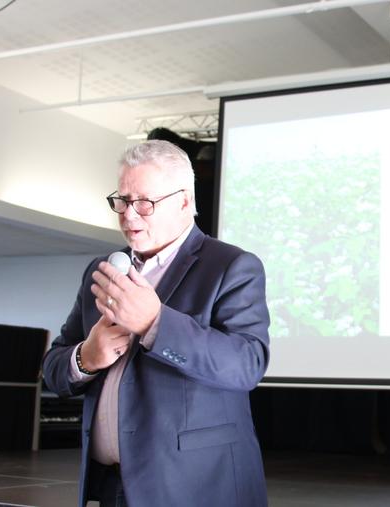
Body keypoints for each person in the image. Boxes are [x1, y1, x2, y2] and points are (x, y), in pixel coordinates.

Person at [42, 140, 270, 507]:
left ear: (183, 201)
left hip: (193, 487)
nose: (130, 215)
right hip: (111, 488)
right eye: (122, 200)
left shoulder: (230, 266)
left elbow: (246, 365)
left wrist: (154, 322)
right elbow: (53, 367)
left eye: (145, 202)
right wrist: (87, 357)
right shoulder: (100, 271)